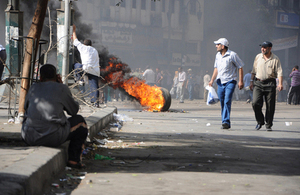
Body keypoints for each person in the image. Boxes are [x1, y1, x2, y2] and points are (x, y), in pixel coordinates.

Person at [21, 64, 88, 169]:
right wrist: (61, 85)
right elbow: (73, 111)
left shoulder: (33, 87)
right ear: (56, 76)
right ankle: (74, 160)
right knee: (81, 122)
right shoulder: (62, 88)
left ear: (41, 77)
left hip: (29, 136)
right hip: (52, 137)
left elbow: (25, 107)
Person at [208, 38, 244, 129]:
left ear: (223, 46)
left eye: (218, 44)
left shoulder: (232, 55)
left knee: (227, 100)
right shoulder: (217, 55)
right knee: (222, 101)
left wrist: (240, 81)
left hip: (230, 81)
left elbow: (240, 66)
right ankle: (224, 119)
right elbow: (216, 69)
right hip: (220, 82)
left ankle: (226, 121)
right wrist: (212, 80)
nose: (216, 46)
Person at [250, 41, 283, 131]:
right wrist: (251, 81)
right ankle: (260, 121)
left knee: (270, 105)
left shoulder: (275, 59)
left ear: (270, 48)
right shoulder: (258, 57)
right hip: (258, 83)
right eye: (262, 47)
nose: (262, 49)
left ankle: (268, 124)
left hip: (270, 83)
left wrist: (280, 83)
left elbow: (279, 72)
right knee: (255, 103)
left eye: (264, 47)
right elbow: (253, 70)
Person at [73, 25, 100, 107]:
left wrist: (73, 30)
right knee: (94, 87)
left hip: (85, 68)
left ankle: (80, 79)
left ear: (84, 44)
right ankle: (95, 102)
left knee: (75, 65)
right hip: (95, 70)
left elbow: (75, 40)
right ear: (91, 44)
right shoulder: (95, 50)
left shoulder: (83, 48)